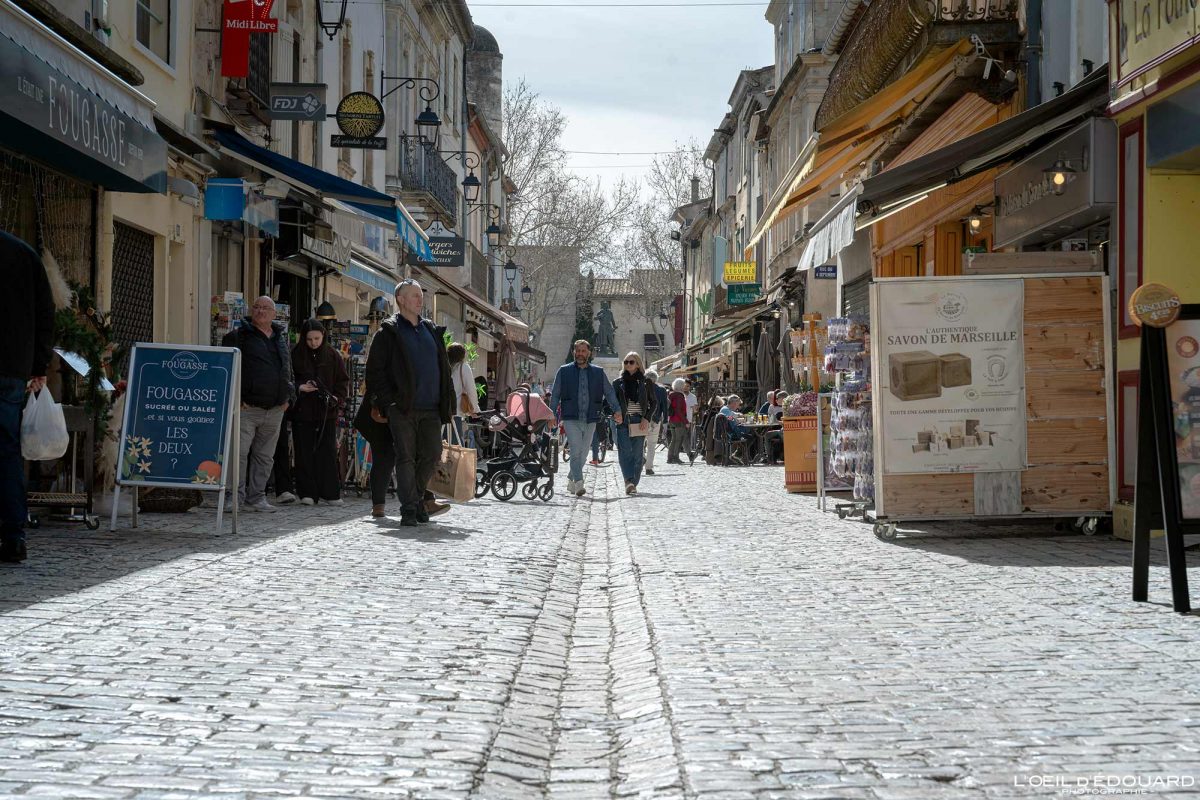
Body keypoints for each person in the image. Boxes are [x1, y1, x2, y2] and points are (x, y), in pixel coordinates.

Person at [365, 279, 454, 527]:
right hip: (402, 408)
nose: (419, 299)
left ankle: (416, 501)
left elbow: (444, 368)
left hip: (432, 407)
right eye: (414, 295)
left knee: (432, 454)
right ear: (401, 300)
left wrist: (448, 400)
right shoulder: (389, 332)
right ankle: (409, 510)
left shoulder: (430, 330)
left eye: (420, 295)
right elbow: (374, 372)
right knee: (405, 458)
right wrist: (389, 402)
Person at [1, 231, 54, 564]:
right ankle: (13, 537)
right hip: (11, 370)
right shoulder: (23, 254)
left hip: (12, 369)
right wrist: (38, 365)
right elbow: (46, 313)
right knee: (6, 451)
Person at [222, 296, 294, 512]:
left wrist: (288, 399)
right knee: (238, 454)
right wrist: (237, 400)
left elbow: (288, 368)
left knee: (265, 457)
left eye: (266, 308)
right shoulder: (238, 336)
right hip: (247, 408)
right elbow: (227, 369)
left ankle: (257, 497)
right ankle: (234, 497)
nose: (261, 311)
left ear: (274, 314)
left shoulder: (280, 338)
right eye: (257, 307)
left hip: (275, 409)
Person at [549, 339, 622, 497]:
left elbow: (609, 392)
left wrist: (617, 409)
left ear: (589, 353)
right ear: (573, 352)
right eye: (578, 351)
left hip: (591, 417)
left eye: (583, 351)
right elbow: (555, 394)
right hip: (571, 417)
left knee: (583, 453)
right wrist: (551, 414)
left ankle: (571, 478)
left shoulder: (598, 372)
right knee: (576, 450)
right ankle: (579, 483)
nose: (580, 353)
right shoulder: (564, 371)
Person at [291, 319, 349, 506]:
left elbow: (342, 381)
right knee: (304, 452)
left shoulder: (332, 355)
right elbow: (289, 378)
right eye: (309, 339)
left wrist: (337, 399)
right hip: (303, 411)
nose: (314, 343)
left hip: (326, 412)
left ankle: (330, 492)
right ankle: (307, 492)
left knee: (327, 452)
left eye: (317, 338)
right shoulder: (296, 354)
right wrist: (300, 387)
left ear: (323, 336)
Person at [613, 352, 656, 495]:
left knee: (637, 455)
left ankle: (633, 483)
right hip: (623, 421)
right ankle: (628, 482)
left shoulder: (646, 382)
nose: (628, 364)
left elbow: (653, 402)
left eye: (631, 362)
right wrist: (615, 414)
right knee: (625, 452)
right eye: (626, 362)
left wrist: (646, 418)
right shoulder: (618, 383)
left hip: (639, 421)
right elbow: (610, 402)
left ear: (638, 364)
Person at [448, 342, 480, 448]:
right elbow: (471, 390)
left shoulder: (443, 366)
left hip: (439, 413)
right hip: (455, 412)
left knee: (441, 447)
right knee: (456, 448)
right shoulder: (463, 367)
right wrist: (475, 409)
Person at [642, 370, 669, 475]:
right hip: (655, 420)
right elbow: (664, 407)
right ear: (656, 379)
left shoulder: (642, 387)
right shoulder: (661, 390)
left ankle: (642, 458)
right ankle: (649, 468)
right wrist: (665, 421)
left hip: (642, 420)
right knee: (651, 445)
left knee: (640, 443)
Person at [667, 378, 689, 465]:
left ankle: (670, 457)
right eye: (684, 385)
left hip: (671, 419)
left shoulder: (671, 395)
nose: (685, 387)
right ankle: (675, 457)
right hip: (678, 420)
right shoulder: (680, 396)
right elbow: (679, 410)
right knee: (678, 439)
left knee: (674, 439)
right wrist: (686, 421)